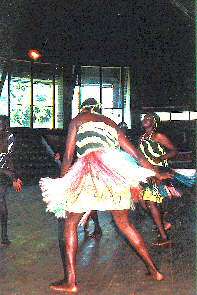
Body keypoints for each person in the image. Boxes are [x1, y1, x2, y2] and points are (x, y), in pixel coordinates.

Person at [40, 98, 173, 293]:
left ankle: (71, 281)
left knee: (70, 223)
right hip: (115, 173)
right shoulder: (110, 122)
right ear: (99, 110)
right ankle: (155, 271)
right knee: (125, 224)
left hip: (89, 172)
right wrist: (156, 172)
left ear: (83, 109)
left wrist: (63, 184)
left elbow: (68, 157)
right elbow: (136, 154)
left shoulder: (78, 119)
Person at [138, 113, 196, 246]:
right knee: (143, 202)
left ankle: (164, 237)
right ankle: (163, 224)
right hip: (147, 172)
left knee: (151, 202)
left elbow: (174, 151)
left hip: (159, 170)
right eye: (144, 118)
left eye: (148, 118)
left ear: (154, 122)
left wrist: (160, 158)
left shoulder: (158, 136)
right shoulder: (142, 138)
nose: (145, 120)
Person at [0, 115, 23, 246]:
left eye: (3, 124)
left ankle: (4, 236)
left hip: (3, 174)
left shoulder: (9, 137)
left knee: (1, 202)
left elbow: (9, 159)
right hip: (4, 172)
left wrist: (14, 176)